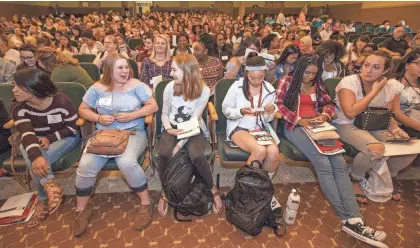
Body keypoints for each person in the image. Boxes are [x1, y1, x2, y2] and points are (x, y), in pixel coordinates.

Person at [275, 54, 388, 248]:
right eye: (307, 72)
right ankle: (349, 219)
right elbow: (279, 105)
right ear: (299, 68)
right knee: (323, 164)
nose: (310, 77)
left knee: (340, 164)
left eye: (314, 73)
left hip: (319, 127)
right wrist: (298, 120)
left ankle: (355, 220)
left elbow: (329, 104)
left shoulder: (318, 84)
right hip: (295, 127)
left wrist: (325, 116)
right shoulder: (287, 80)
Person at [73, 53, 158, 237]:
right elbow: (82, 109)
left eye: (127, 67)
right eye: (120, 67)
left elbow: (153, 106)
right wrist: (98, 117)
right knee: (85, 166)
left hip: (133, 132)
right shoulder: (97, 88)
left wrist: (132, 116)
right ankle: (81, 210)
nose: (125, 71)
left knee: (126, 162)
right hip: (104, 134)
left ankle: (145, 204)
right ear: (109, 69)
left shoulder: (138, 86)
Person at [333, 51, 416, 203]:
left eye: (376, 67)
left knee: (408, 148)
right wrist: (375, 91)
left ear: (385, 71)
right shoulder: (350, 82)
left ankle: (384, 178)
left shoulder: (390, 86)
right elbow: (350, 112)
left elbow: (386, 115)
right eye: (366, 65)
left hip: (374, 125)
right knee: (375, 149)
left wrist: (397, 130)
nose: (368, 70)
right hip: (346, 124)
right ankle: (355, 179)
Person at [154, 53, 222, 217]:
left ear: (187, 71)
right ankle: (166, 190)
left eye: (174, 70)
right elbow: (164, 115)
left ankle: (213, 189)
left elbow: (193, 121)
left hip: (193, 129)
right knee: (163, 154)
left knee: (197, 155)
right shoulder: (170, 87)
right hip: (172, 127)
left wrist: (179, 145)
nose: (170, 73)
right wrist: (169, 129)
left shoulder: (204, 90)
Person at [11, 68, 80, 227]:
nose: (13, 90)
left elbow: (73, 128)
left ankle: (42, 198)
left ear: (33, 87)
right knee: (30, 151)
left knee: (33, 155)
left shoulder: (61, 101)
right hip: (36, 140)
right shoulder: (18, 107)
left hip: (66, 137)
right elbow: (27, 134)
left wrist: (50, 138)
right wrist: (36, 157)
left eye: (18, 86)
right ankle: (50, 186)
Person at [222, 56, 282, 216]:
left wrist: (271, 111)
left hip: (259, 128)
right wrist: (240, 111)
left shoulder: (269, 89)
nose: (256, 81)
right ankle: (244, 192)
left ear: (265, 73)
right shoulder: (236, 87)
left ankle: (263, 190)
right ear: (246, 73)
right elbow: (226, 109)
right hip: (239, 127)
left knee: (274, 153)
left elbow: (268, 119)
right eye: (252, 78)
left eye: (260, 77)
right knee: (259, 151)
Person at [391, 49, 420, 137]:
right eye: (419, 64)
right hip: (403, 127)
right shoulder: (393, 84)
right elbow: (396, 113)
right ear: (407, 65)